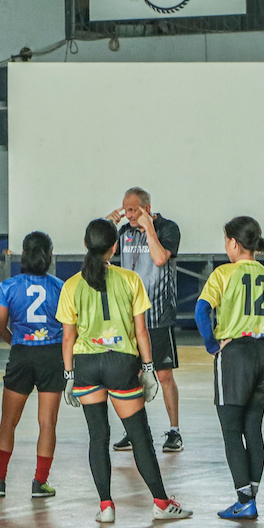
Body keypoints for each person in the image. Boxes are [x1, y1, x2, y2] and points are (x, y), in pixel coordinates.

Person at [59, 218, 191, 523]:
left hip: (87, 365)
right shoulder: (130, 279)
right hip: (121, 363)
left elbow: (68, 337)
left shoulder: (71, 285)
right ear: (115, 247)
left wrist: (69, 375)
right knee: (139, 436)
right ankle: (161, 502)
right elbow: (141, 331)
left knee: (98, 436)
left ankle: (106, 507)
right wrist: (149, 369)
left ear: (84, 244)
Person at [195, 217, 264, 520]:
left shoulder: (223, 274)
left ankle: (244, 501)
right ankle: (252, 496)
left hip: (234, 354)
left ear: (233, 242)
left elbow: (201, 309)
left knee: (231, 432)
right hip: (262, 352)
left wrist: (211, 345)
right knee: (253, 430)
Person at [0, 231, 64, 499]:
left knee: (8, 422)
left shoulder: (9, 287)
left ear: (23, 256)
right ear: (50, 256)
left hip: (21, 355)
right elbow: (69, 327)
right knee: (47, 423)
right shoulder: (60, 288)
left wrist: (17, 342)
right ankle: (40, 483)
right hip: (52, 355)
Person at [108, 187, 184, 453]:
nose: (128, 214)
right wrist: (108, 223)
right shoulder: (124, 232)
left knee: (163, 375)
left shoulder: (167, 228)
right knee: (131, 374)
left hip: (158, 315)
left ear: (147, 209)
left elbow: (161, 258)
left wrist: (148, 228)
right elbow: (96, 246)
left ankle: (174, 431)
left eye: (133, 210)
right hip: (130, 317)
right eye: (125, 209)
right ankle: (135, 430)